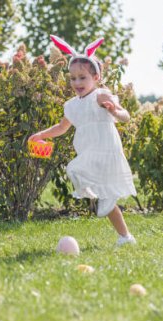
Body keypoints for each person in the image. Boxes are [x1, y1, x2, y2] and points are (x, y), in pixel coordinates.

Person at [29, 35, 137, 246]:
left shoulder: (100, 96)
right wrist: (41, 135)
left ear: (96, 77)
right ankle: (125, 237)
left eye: (83, 77)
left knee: (75, 171)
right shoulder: (72, 105)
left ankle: (95, 194)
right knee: (102, 201)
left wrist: (115, 111)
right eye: (73, 78)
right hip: (88, 150)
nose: (77, 82)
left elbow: (126, 116)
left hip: (106, 149)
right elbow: (62, 127)